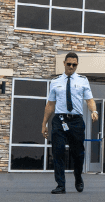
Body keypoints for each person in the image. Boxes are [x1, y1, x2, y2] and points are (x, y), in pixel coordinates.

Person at [41, 52, 99, 194]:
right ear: (64, 64)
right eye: (69, 64)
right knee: (58, 151)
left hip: (76, 121)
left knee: (78, 153)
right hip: (59, 120)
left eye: (74, 65)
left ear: (77, 65)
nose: (71, 67)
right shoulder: (55, 82)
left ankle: (78, 177)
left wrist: (94, 111)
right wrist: (44, 124)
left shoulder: (83, 80)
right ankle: (61, 185)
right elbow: (50, 105)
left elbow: (89, 99)